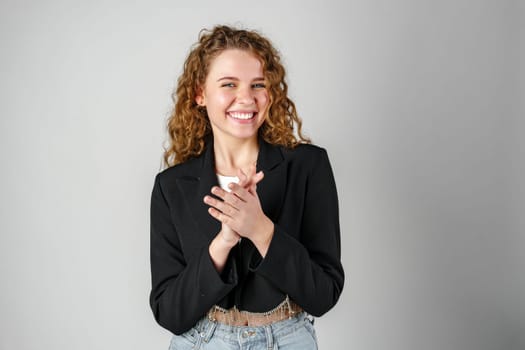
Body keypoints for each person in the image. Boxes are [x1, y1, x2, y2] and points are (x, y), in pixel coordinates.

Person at [149, 25, 344, 350]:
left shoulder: (308, 167)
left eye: (258, 84)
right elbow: (169, 313)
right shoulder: (172, 188)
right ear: (200, 93)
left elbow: (323, 295)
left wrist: (262, 230)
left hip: (287, 340)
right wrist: (223, 242)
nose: (247, 98)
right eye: (229, 84)